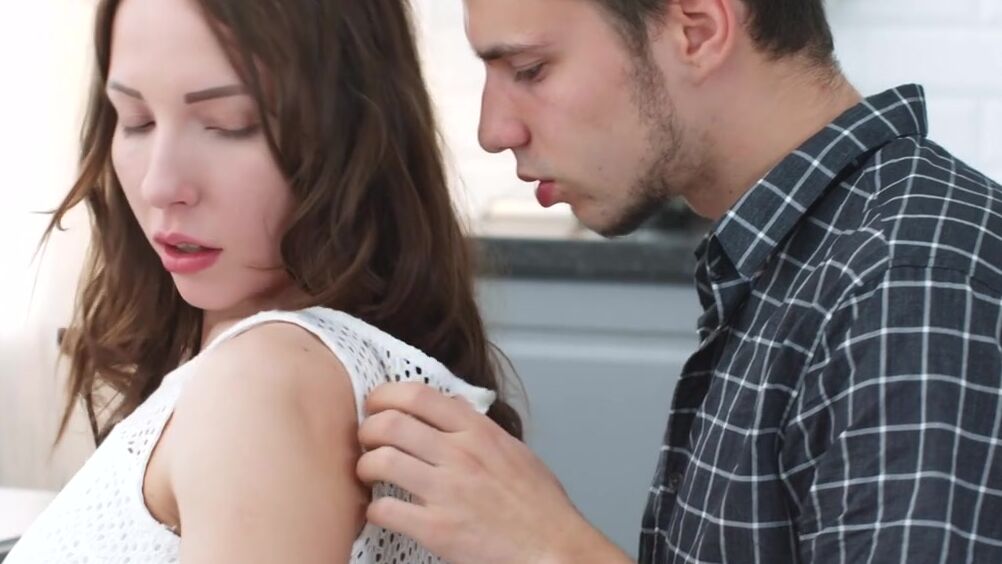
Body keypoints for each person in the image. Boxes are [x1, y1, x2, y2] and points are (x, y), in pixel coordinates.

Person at [356, 0, 1002, 562]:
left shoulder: (910, 287)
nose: (494, 131)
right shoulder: (800, 263)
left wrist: (551, 548)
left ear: (697, 31)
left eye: (530, 70)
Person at [6, 0, 523, 562]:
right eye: (136, 121)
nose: (159, 184)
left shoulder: (260, 386)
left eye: (229, 125)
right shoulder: (288, 367)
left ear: (351, 130)